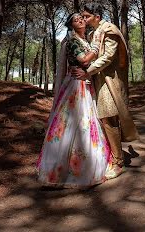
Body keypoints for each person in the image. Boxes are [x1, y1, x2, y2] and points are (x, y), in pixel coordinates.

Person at [36, 13, 112, 188]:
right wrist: (95, 47)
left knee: (86, 125)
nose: (80, 20)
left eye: (81, 18)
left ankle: (87, 169)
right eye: (75, 19)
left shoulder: (84, 41)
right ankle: (59, 172)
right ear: (71, 25)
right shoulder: (72, 42)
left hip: (85, 83)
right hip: (75, 87)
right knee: (70, 125)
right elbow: (84, 60)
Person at [72, 3, 138, 179]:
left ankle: (118, 162)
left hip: (111, 81)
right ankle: (114, 156)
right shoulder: (95, 33)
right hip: (99, 80)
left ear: (97, 16)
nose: (84, 20)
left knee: (109, 117)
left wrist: (88, 72)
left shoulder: (109, 30)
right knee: (105, 119)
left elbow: (108, 57)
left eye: (86, 16)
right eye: (83, 17)